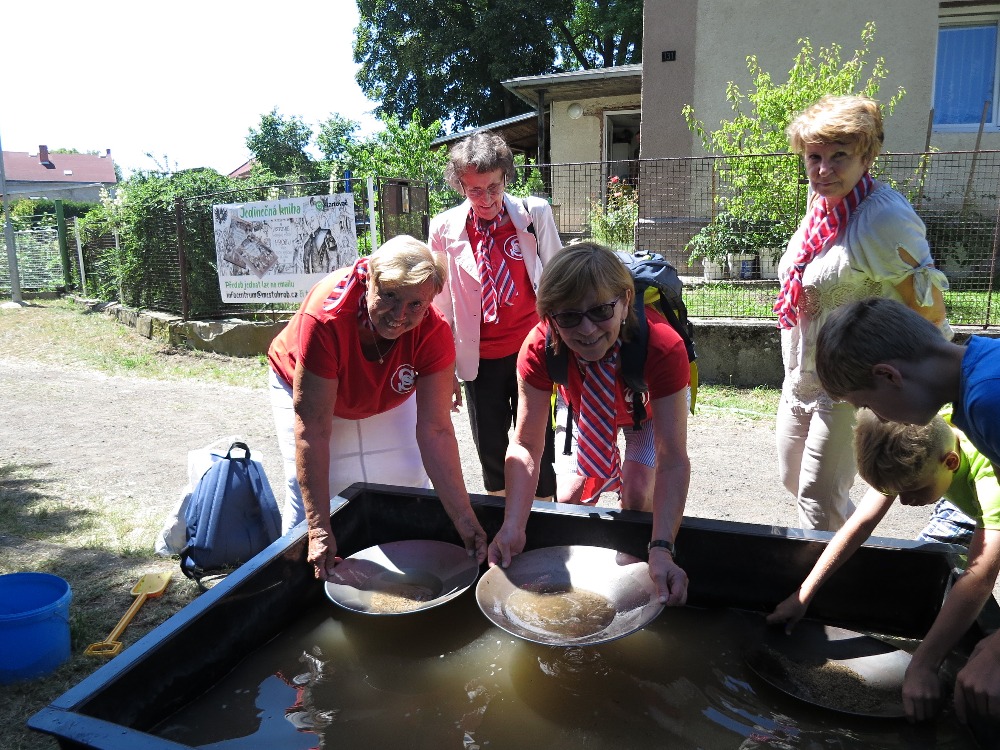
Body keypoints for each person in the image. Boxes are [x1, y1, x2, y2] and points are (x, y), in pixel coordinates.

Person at [815, 295, 1000, 725]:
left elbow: (985, 562)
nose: (879, 416)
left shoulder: (987, 401)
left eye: (870, 404)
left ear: (888, 375)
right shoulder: (979, 375)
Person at [772, 94, 951, 532]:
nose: (823, 170)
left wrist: (934, 385)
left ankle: (827, 594)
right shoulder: (822, 207)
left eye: (839, 157)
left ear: (866, 156)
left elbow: (928, 308)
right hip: (802, 373)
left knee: (818, 497)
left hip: (852, 382)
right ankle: (861, 557)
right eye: (814, 157)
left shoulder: (881, 217)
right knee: (793, 481)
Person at [267, 235, 487, 579]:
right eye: (389, 296)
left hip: (386, 388)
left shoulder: (433, 329)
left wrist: (464, 519)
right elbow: (313, 430)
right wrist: (319, 529)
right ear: (369, 277)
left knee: (406, 474)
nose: (399, 315)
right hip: (308, 384)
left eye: (416, 304)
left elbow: (436, 430)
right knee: (315, 495)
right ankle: (299, 578)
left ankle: (401, 572)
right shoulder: (327, 317)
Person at [487, 242, 691, 605]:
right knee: (566, 497)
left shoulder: (662, 346)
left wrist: (662, 546)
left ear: (626, 301)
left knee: (637, 490)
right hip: (581, 403)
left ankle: (636, 562)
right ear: (549, 317)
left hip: (641, 407)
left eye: (600, 311)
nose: (587, 330)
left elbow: (673, 457)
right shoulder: (539, 348)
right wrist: (513, 525)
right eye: (568, 317)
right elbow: (526, 445)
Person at [767, 409, 1000, 722]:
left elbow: (979, 577)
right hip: (956, 494)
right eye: (896, 492)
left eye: (913, 490)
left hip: (987, 497)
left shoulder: (990, 478)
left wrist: (923, 665)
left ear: (951, 463)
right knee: (925, 575)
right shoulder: (914, 440)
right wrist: (803, 594)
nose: (903, 502)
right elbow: (860, 524)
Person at [429, 130, 562, 501]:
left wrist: (564, 346)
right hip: (478, 359)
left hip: (531, 353)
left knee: (539, 443)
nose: (486, 199)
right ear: (459, 185)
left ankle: (544, 517)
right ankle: (503, 524)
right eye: (474, 190)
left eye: (493, 187)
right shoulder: (443, 228)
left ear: (505, 176)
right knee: (490, 448)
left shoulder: (534, 214)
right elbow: (441, 306)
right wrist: (445, 372)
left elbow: (557, 278)